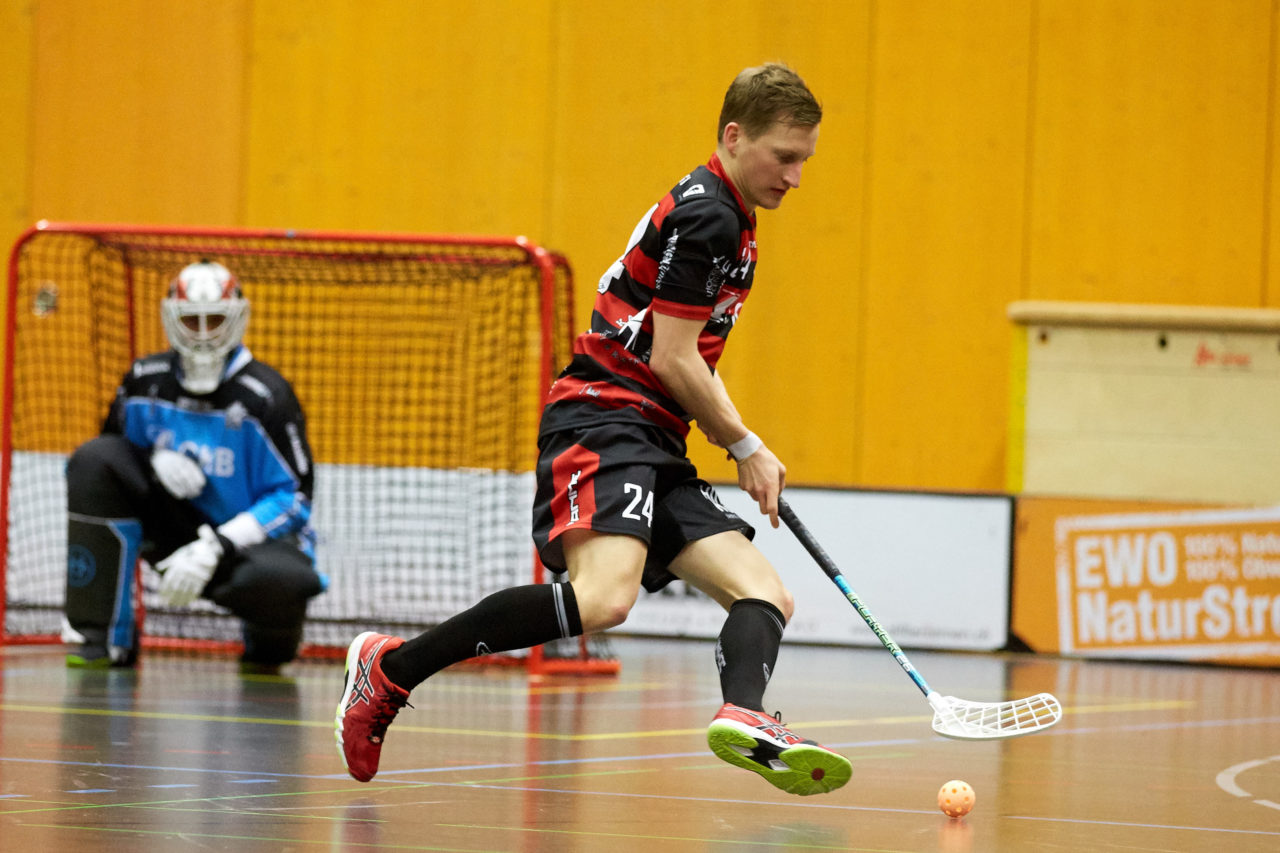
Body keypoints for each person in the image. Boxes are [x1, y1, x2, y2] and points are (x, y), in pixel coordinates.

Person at [335, 63, 851, 796]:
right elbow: (672, 359)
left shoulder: (732, 217)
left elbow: (688, 357)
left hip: (653, 433)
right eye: (785, 156)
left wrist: (731, 434)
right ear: (734, 137)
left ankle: (746, 713)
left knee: (763, 591)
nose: (796, 176)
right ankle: (388, 669)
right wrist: (746, 445)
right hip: (604, 416)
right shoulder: (712, 216)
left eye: (805, 159)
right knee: (604, 599)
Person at [63, 260, 323, 674]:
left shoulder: (268, 396)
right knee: (92, 461)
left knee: (287, 582)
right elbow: (110, 454)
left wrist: (217, 545)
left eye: (215, 320)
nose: (203, 334)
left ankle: (265, 646)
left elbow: (294, 499)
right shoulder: (143, 381)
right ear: (171, 319)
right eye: (191, 321)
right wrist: (152, 458)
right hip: (170, 527)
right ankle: (99, 636)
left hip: (240, 547)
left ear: (237, 318)